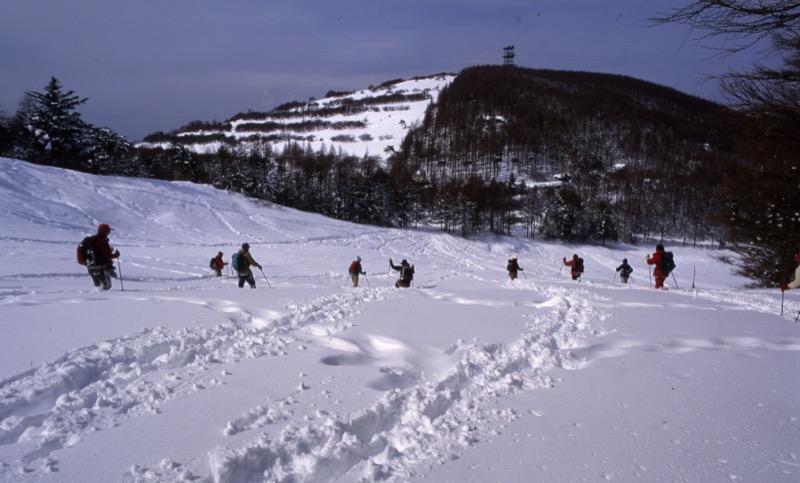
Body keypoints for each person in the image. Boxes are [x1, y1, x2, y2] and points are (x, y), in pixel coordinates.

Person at [86, 223, 121, 291]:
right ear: (104, 231)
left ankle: (95, 298)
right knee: (106, 287)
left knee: (98, 286)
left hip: (91, 267)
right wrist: (116, 255)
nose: (109, 233)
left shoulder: (93, 240)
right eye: (108, 231)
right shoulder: (102, 241)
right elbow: (108, 255)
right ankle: (101, 300)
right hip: (101, 268)